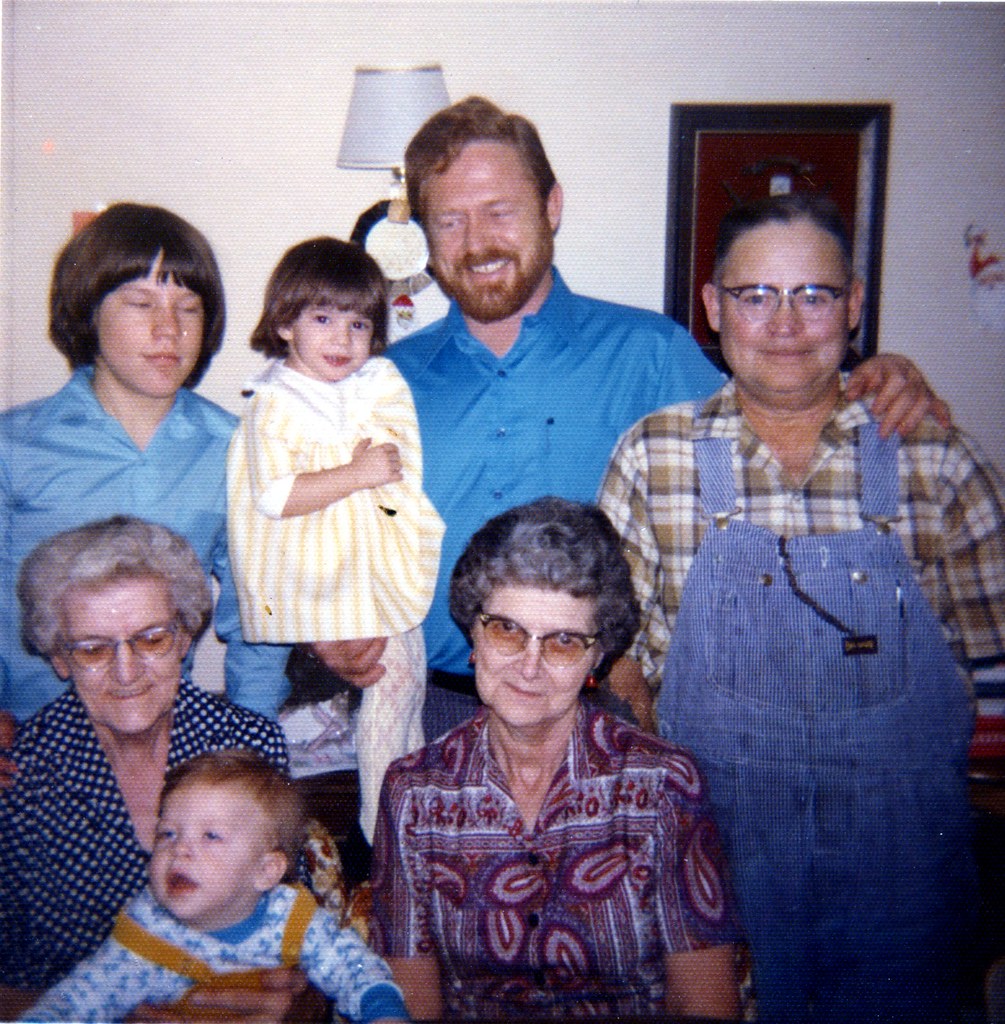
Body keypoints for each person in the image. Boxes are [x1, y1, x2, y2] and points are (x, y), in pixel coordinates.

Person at [309, 96, 950, 741]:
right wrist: (322, 627)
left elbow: (781, 415)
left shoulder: (651, 352)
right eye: (450, 222)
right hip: (428, 714)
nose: (477, 244)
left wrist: (870, 373)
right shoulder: (377, 381)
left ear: (551, 207)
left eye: (500, 212)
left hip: (608, 712)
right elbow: (309, 526)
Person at [598, 193, 1005, 1022]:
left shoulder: (936, 459)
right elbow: (612, 666)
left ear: (852, 307)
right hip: (716, 854)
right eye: (755, 295)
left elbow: (999, 677)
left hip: (906, 869)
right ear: (714, 308)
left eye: (811, 295)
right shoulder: (654, 454)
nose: (783, 324)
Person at [370, 497, 744, 1021]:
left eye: (564, 642)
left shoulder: (664, 784)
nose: (530, 666)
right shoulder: (414, 792)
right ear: (473, 635)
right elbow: (412, 1004)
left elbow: (704, 1004)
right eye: (507, 629)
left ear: (596, 658)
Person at [0, 202, 290, 738]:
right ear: (88, 311)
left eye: (189, 307)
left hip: (161, 732)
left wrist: (254, 737)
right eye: (141, 303)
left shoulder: (238, 449)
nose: (168, 330)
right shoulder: (14, 446)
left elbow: (258, 610)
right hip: (26, 733)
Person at [0, 517, 301, 1021]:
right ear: (59, 659)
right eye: (94, 649)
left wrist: (293, 1000)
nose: (126, 671)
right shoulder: (20, 777)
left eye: (152, 639)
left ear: (184, 639)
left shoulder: (249, 745)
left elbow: (297, 934)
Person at [227, 237, 444, 844]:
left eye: (358, 323)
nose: (342, 339)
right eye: (322, 319)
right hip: (326, 575)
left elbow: (398, 460)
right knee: (393, 685)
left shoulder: (364, 384)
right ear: (284, 324)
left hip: (367, 563)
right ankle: (384, 829)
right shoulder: (273, 403)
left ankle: (414, 808)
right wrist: (356, 473)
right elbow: (273, 495)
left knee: (409, 684)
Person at [22, 749, 408, 1024]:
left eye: (210, 836)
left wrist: (383, 1012)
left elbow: (355, 969)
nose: (180, 850)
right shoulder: (143, 934)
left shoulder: (293, 920)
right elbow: (77, 1000)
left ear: (266, 871)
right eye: (168, 833)